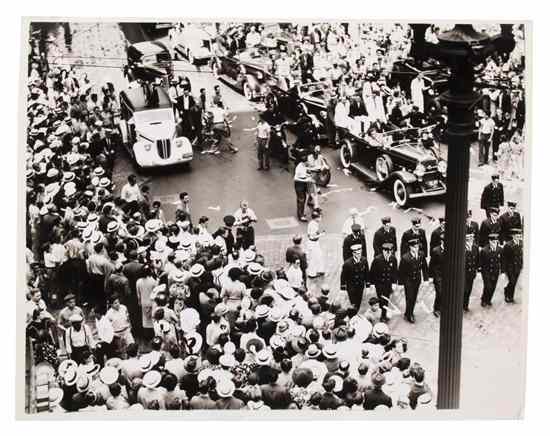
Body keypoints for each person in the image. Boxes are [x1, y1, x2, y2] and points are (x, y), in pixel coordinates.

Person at [398, 239, 429, 323]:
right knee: (409, 298)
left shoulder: (421, 254)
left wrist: (426, 279)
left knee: (414, 297)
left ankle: (408, 312)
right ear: (410, 247)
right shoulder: (405, 258)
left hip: (417, 280)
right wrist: (400, 284)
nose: (417, 248)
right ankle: (409, 314)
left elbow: (425, 267)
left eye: (417, 247)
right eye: (415, 247)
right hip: (408, 281)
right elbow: (401, 271)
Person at [370, 242, 398, 323]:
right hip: (380, 284)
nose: (388, 253)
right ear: (383, 251)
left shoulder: (393, 259)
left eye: (390, 251)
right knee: (381, 300)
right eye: (386, 251)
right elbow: (372, 272)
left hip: (388, 284)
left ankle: (383, 314)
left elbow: (395, 272)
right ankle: (382, 316)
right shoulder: (377, 260)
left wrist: (394, 283)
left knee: (386, 300)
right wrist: (372, 284)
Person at [340, 244, 370, 311]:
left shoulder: (364, 260)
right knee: (353, 302)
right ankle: (353, 313)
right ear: (353, 253)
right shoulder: (347, 264)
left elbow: (367, 273)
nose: (359, 255)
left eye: (360, 253)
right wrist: (342, 288)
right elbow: (343, 276)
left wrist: (368, 285)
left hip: (360, 285)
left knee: (359, 300)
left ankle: (356, 311)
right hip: (351, 287)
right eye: (357, 253)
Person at [479, 233, 503, 308]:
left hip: (495, 271)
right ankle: (483, 300)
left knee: (493, 287)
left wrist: (501, 270)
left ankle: (488, 300)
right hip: (486, 272)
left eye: (496, 241)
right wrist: (482, 271)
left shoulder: (499, 249)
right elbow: (481, 263)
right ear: (489, 241)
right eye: (493, 241)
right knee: (488, 286)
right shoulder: (484, 250)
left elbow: (501, 260)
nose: (494, 243)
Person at [501, 228, 523, 304]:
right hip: (510, 268)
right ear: (513, 236)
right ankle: (507, 295)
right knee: (512, 282)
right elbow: (504, 258)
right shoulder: (508, 245)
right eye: (517, 235)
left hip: (518, 267)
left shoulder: (521, 243)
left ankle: (511, 296)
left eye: (520, 235)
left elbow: (521, 255)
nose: (519, 237)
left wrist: (521, 265)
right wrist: (503, 271)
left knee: (514, 282)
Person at [428, 233, 445, 318]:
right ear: (442, 242)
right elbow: (432, 264)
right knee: (439, 292)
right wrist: (431, 277)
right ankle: (436, 309)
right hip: (438, 275)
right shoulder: (436, 251)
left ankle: (442, 306)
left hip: (446, 275)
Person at [306, 211, 325, 278]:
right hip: (313, 243)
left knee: (319, 256)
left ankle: (320, 270)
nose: (321, 218)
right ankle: (312, 273)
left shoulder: (313, 223)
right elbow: (312, 236)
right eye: (320, 217)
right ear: (316, 218)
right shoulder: (313, 225)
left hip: (314, 243)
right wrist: (321, 235)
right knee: (313, 258)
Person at [463, 231, 479, 312]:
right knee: (463, 290)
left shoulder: (475, 247)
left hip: (471, 273)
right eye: (468, 238)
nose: (470, 239)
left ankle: (465, 305)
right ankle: (460, 305)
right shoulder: (461, 248)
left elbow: (476, 260)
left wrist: (475, 269)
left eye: (472, 237)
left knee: (469, 290)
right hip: (463, 274)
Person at [294, 155, 312, 222]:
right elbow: (296, 178)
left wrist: (308, 175)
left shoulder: (304, 166)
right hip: (299, 184)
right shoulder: (299, 168)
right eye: (308, 161)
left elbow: (305, 174)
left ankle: (300, 213)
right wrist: (307, 180)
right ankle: (301, 215)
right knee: (301, 199)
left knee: (302, 198)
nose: (309, 162)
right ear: (305, 162)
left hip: (303, 184)